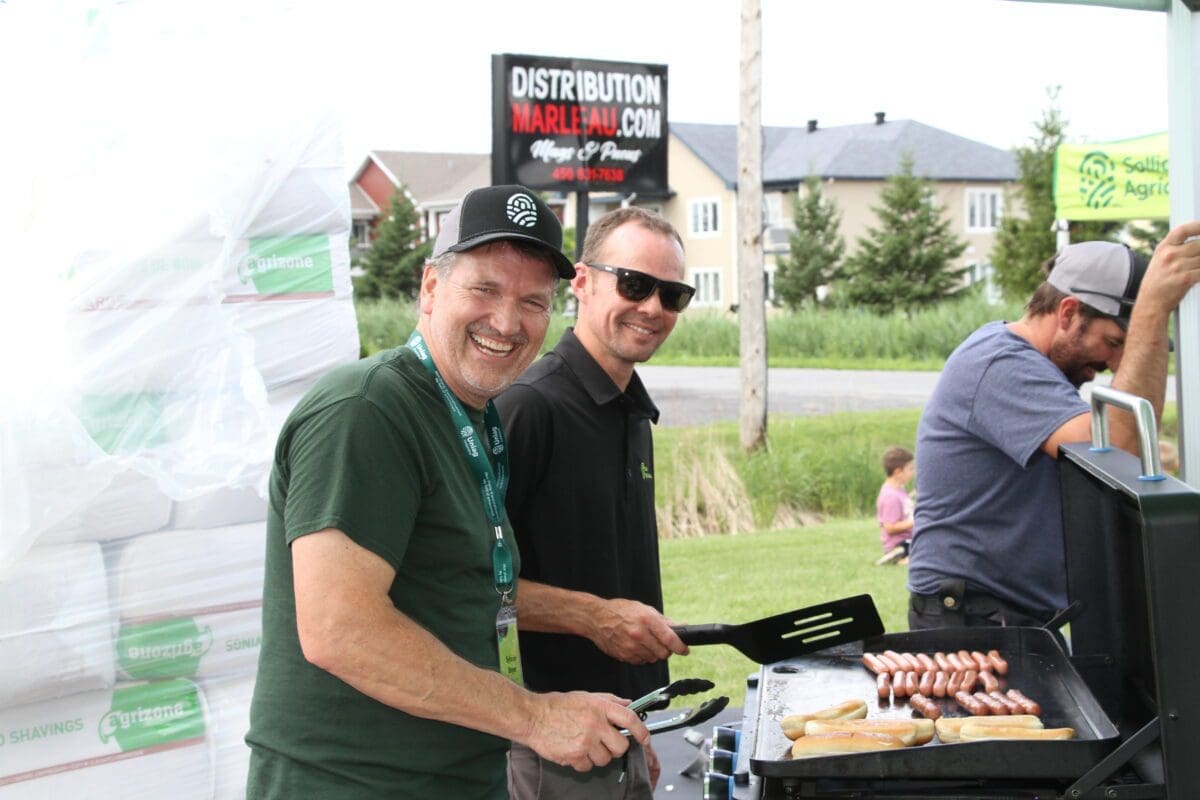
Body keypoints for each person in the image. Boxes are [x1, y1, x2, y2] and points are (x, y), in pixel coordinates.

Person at [245, 185, 651, 799]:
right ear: (431, 288)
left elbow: (459, 589)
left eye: (532, 301)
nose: (507, 322)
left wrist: (592, 621)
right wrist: (536, 717)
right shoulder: (368, 407)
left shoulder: (475, 418)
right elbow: (339, 628)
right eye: (484, 289)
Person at [907, 227, 1200, 632]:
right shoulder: (1001, 364)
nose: (1117, 365)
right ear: (1067, 313)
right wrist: (1152, 310)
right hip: (971, 620)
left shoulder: (1035, 369)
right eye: (1115, 342)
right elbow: (1118, 453)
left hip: (1007, 618)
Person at [495, 207, 694, 799]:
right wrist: (595, 618)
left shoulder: (633, 412)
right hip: (548, 745)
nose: (653, 308)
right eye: (634, 284)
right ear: (581, 281)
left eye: (673, 294)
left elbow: (619, 576)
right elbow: (466, 584)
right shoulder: (528, 409)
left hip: (623, 730)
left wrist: (645, 724)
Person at [875, 447, 915, 566]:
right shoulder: (890, 496)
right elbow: (890, 527)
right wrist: (916, 521)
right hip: (900, 543)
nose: (913, 472)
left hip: (909, 539)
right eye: (910, 469)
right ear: (897, 472)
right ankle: (899, 558)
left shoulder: (899, 490)